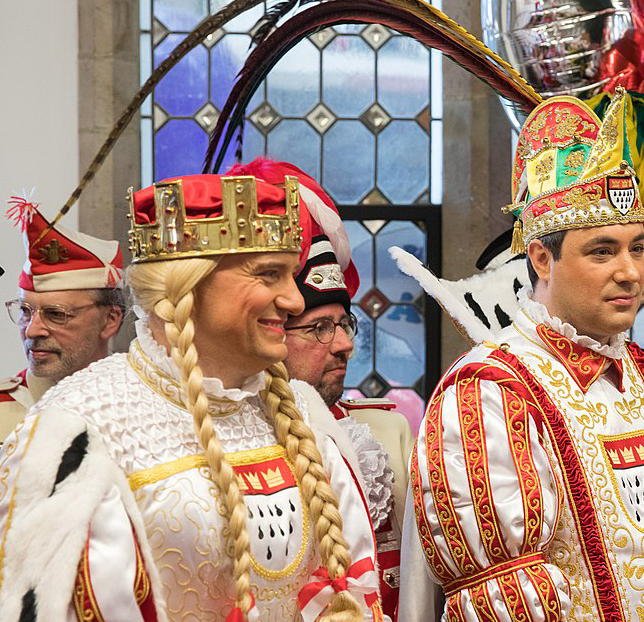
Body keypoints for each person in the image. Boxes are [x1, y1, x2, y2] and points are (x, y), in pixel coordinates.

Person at [404, 92, 644, 622]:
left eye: (635, 247)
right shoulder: (490, 392)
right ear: (542, 257)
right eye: (601, 251)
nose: (631, 272)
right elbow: (506, 598)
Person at [0, 173, 386, 622]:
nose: (294, 300)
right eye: (269, 275)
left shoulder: (304, 411)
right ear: (189, 287)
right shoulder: (78, 426)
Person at [228, 157, 414, 618]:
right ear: (272, 330)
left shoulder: (385, 435)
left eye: (344, 323)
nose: (346, 344)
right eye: (320, 328)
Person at [0, 198, 125, 441]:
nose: (32, 331)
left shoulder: (145, 408)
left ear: (110, 319)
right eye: (25, 311)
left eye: (56, 314)